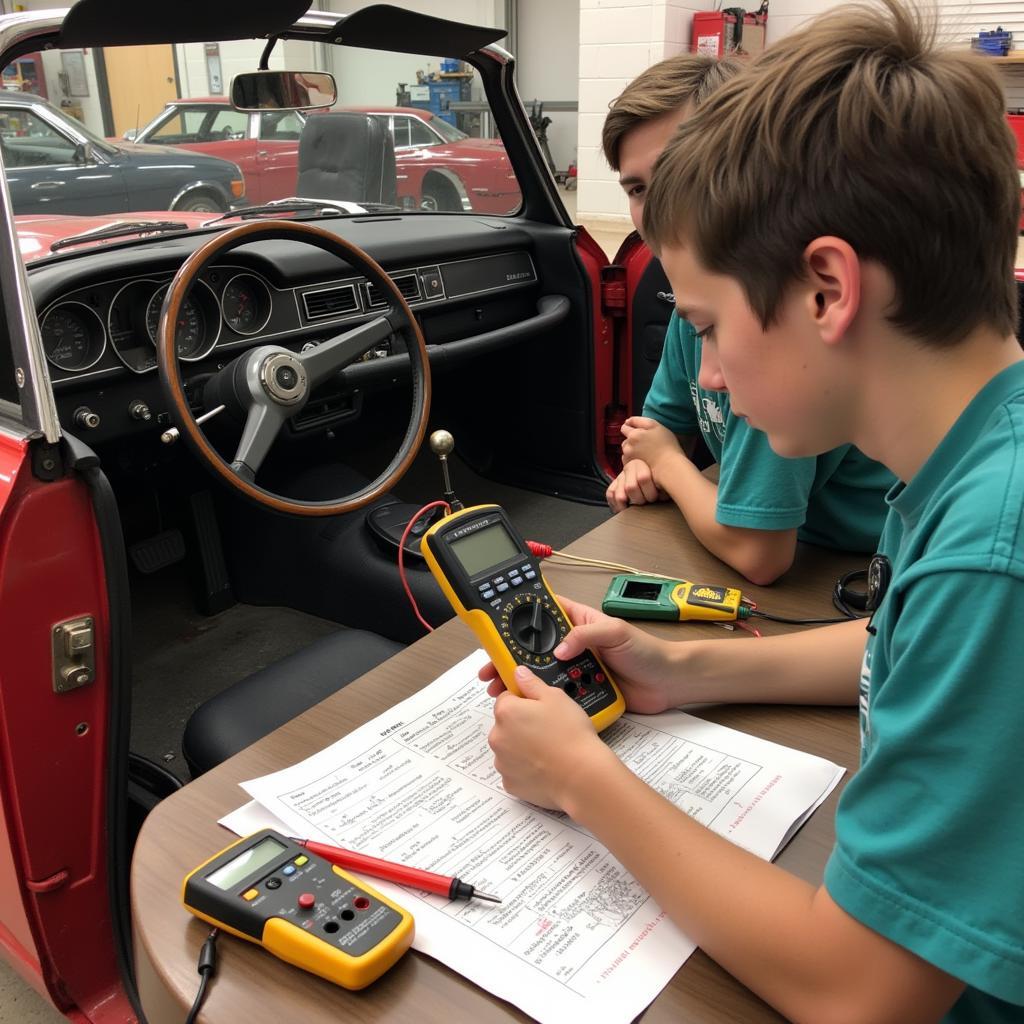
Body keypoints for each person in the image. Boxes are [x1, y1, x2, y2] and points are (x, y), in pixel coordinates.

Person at [483, 1, 1024, 1020]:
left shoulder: (994, 555)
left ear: (825, 289)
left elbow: (859, 989)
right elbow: (901, 641)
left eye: (708, 326)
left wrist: (582, 779)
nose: (713, 379)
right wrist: (684, 669)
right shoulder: (977, 453)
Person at [602, 54, 895, 585]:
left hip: (839, 566)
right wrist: (648, 460)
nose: (659, 212)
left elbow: (761, 555)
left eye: (676, 175)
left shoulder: (776, 330)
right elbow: (653, 431)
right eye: (639, 189)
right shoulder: (697, 302)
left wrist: (668, 465)